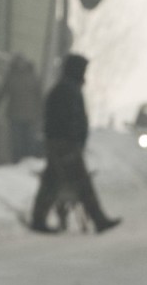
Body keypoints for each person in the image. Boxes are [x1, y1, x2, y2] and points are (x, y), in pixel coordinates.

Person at [30, 53, 121, 234]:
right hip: (66, 143)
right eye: (83, 69)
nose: (85, 73)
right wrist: (75, 139)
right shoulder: (67, 90)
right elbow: (71, 119)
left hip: (60, 142)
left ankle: (38, 219)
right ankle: (98, 219)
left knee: (52, 180)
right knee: (81, 181)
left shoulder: (64, 88)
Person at [0, 54, 43, 162]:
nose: (20, 65)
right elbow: (1, 94)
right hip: (15, 116)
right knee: (16, 143)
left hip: (30, 116)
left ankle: (27, 162)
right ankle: (17, 162)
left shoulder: (33, 76)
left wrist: (41, 115)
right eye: (18, 62)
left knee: (29, 142)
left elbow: (39, 97)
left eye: (22, 62)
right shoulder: (11, 76)